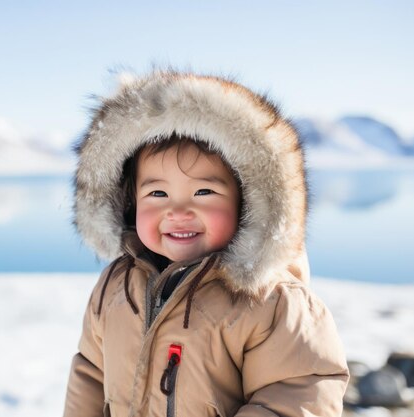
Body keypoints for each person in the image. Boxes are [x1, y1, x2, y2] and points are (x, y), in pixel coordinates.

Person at [64, 70, 349, 417]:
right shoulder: (114, 286)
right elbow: (91, 374)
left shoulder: (273, 304)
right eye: (157, 193)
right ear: (128, 200)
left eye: (204, 192)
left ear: (247, 202)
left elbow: (295, 397)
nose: (178, 211)